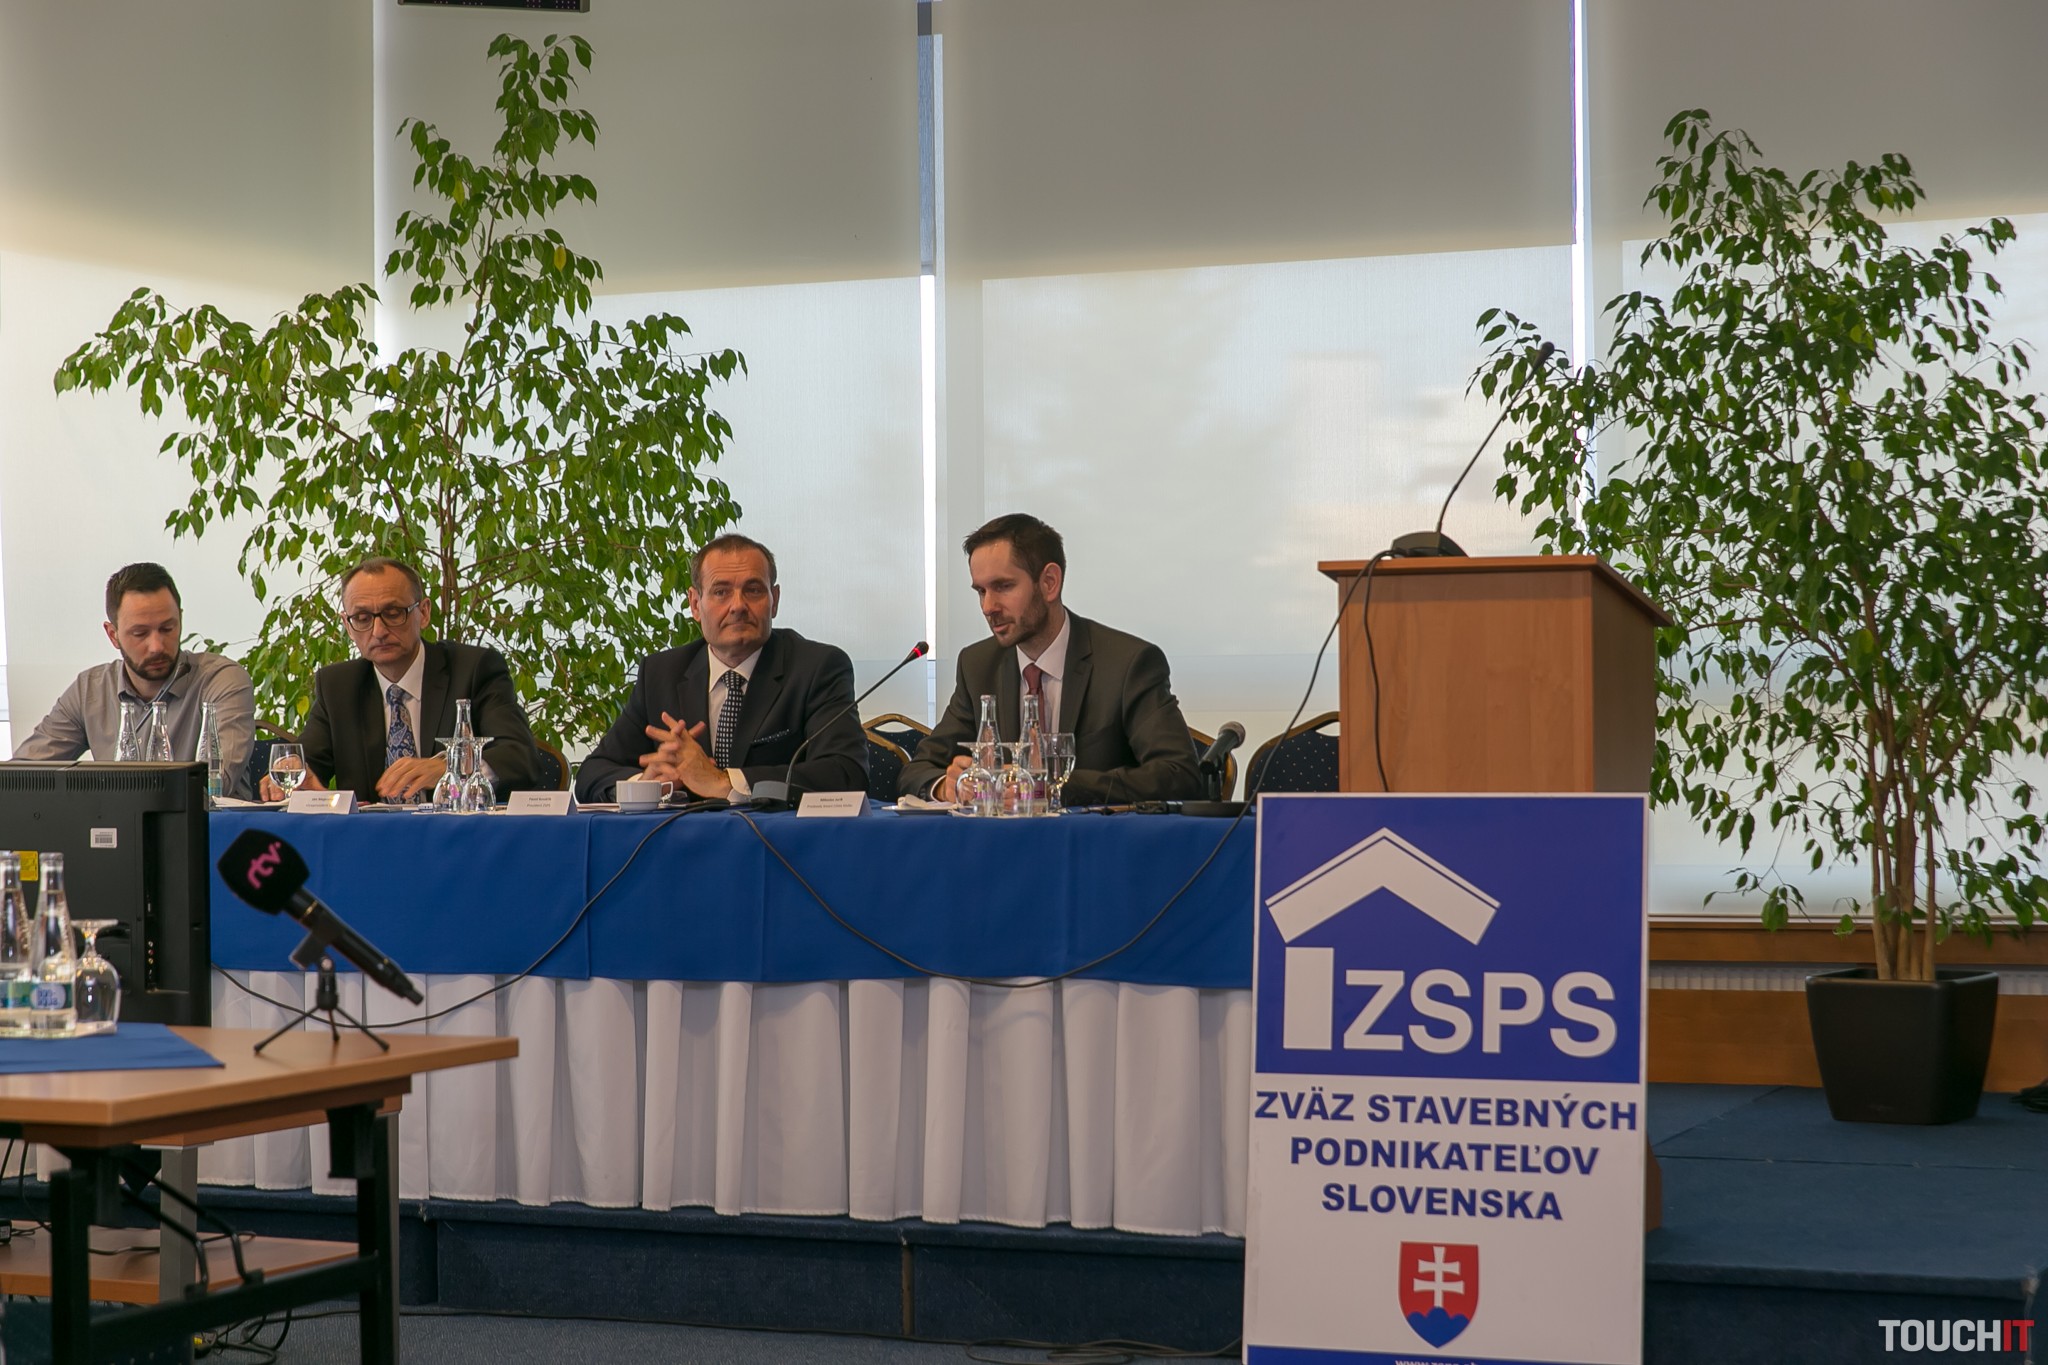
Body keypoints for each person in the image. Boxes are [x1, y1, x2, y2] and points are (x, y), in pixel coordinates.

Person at [900, 513, 1202, 805]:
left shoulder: (1127, 664)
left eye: (1003, 586)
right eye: (981, 591)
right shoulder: (978, 666)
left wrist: (1052, 788)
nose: (988, 607)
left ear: (1049, 583)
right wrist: (947, 786)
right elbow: (917, 770)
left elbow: (1180, 775)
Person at [574, 533, 868, 804]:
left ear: (774, 601)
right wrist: (647, 784)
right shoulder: (660, 673)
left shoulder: (817, 668)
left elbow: (846, 773)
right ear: (695, 604)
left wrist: (723, 782)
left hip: (778, 839)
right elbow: (592, 774)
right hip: (680, 839)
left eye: (753, 590)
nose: (738, 605)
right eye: (721, 592)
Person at [264, 556, 541, 802]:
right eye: (362, 618)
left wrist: (451, 768)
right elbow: (308, 763)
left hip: (457, 836)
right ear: (348, 626)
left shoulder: (474, 669)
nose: (379, 631)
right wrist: (294, 776)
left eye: (393, 613)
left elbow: (519, 758)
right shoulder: (338, 685)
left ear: (424, 613)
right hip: (370, 839)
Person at [14, 562, 257, 797]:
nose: (156, 646)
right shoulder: (90, 691)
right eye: (140, 633)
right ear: (113, 635)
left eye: (167, 629)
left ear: (180, 620)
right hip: (115, 824)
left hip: (211, 825)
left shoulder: (220, 680)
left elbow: (217, 783)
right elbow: (19, 779)